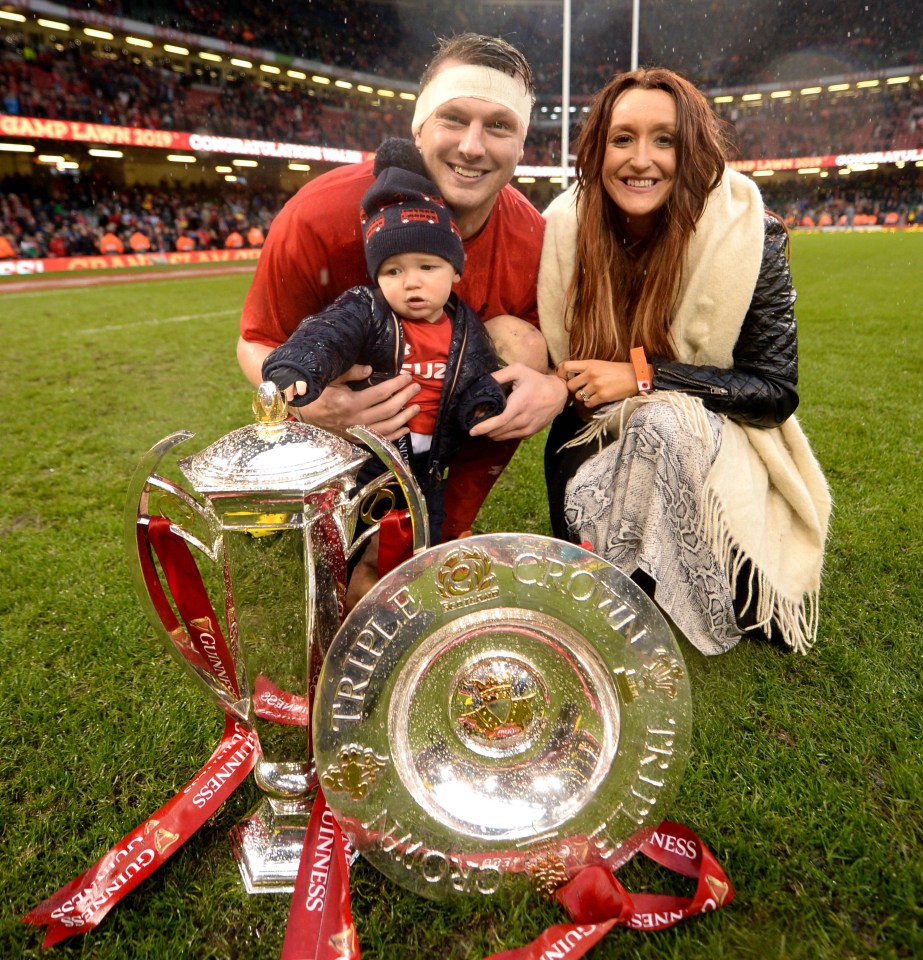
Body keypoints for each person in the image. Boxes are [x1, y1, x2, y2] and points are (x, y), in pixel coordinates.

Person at [536, 68, 831, 655]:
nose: (641, 159)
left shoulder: (749, 235)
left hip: (708, 444)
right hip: (591, 444)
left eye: (664, 139)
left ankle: (667, 587)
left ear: (691, 148)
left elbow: (774, 391)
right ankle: (621, 580)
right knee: (649, 425)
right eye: (623, 139)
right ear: (598, 149)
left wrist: (644, 378)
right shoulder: (563, 230)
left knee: (660, 418)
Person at [237, 33, 563, 540]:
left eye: (499, 126)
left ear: (522, 145)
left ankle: (444, 524)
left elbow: (551, 360)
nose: (472, 146)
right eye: (453, 118)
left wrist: (555, 389)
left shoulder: (532, 238)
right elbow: (256, 340)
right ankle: (322, 512)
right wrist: (312, 405)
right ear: (419, 127)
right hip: (335, 413)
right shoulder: (320, 214)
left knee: (523, 344)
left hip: (443, 420)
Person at [262, 142, 506, 601]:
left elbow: (477, 371)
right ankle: (355, 611)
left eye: (427, 267)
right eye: (392, 271)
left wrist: (482, 401)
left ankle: (416, 607)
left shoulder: (465, 326)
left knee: (425, 541)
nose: (410, 282)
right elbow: (326, 335)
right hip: (373, 461)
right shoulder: (367, 309)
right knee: (366, 543)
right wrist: (299, 367)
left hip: (432, 464)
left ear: (456, 270)